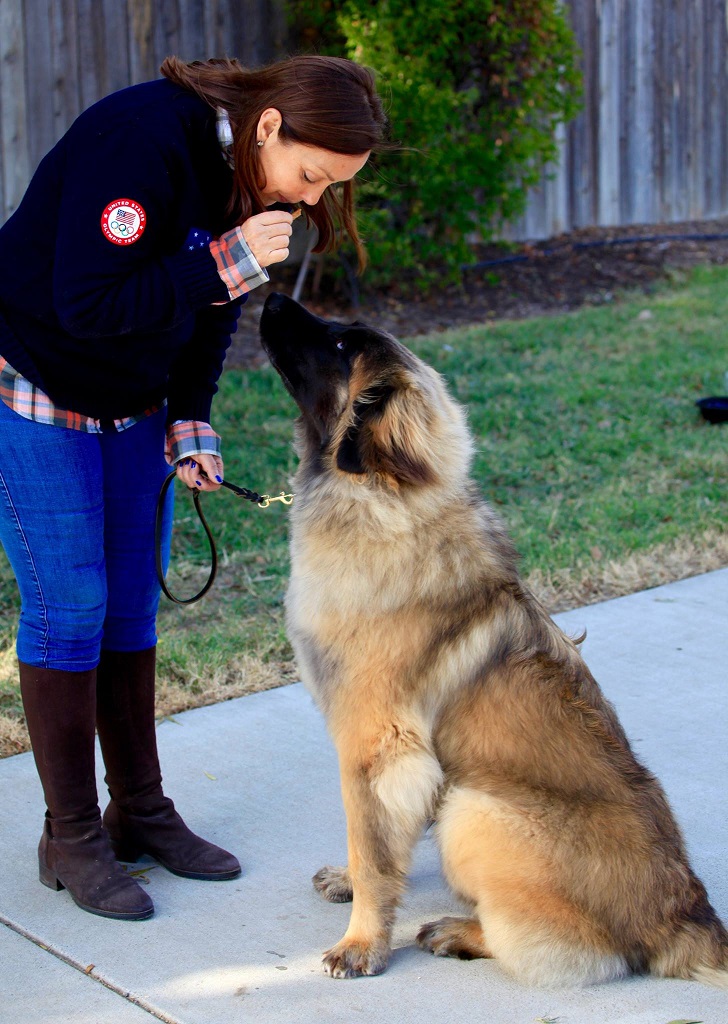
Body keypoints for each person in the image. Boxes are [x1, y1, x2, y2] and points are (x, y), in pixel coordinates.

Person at [0, 54, 387, 920]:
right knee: (71, 608)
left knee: (133, 606)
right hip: (35, 378)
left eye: (334, 185)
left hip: (135, 400)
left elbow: (214, 307)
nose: (314, 198)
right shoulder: (139, 141)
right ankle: (69, 836)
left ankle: (138, 811)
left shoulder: (260, 181)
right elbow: (84, 302)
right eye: (312, 174)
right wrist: (218, 265)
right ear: (267, 127)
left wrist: (189, 418)